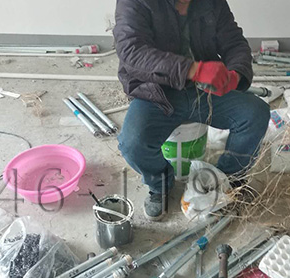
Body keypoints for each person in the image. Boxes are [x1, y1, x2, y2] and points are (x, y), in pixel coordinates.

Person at [113, 0, 270, 220]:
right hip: (156, 91)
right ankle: (160, 184)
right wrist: (192, 69)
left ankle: (229, 179)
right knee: (133, 143)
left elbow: (234, 42)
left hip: (205, 89)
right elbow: (132, 51)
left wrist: (235, 75)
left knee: (255, 114)